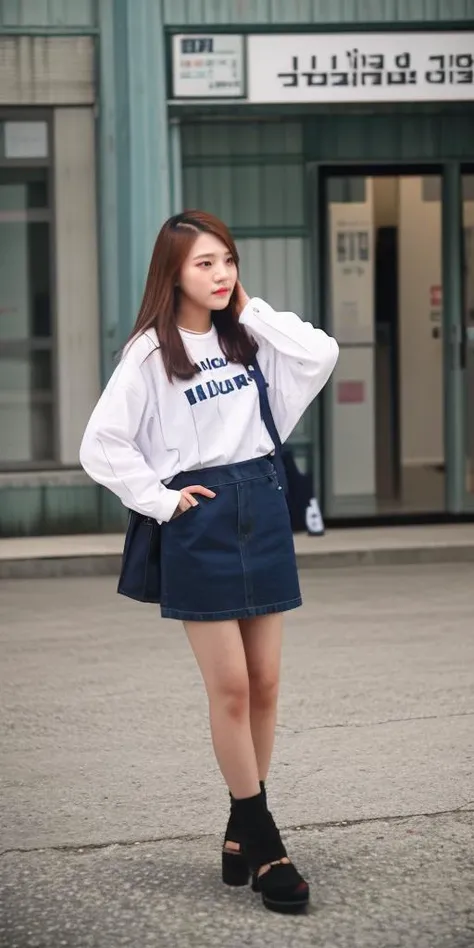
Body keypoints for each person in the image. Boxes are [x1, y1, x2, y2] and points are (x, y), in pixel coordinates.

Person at [80, 210, 339, 914]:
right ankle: (265, 840)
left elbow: (319, 355)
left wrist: (250, 307)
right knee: (229, 687)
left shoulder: (245, 335)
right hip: (202, 515)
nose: (219, 274)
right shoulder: (148, 352)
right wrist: (160, 502)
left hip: (263, 497)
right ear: (173, 273)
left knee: (266, 682)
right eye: (203, 264)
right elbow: (100, 445)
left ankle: (238, 827)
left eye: (226, 259)